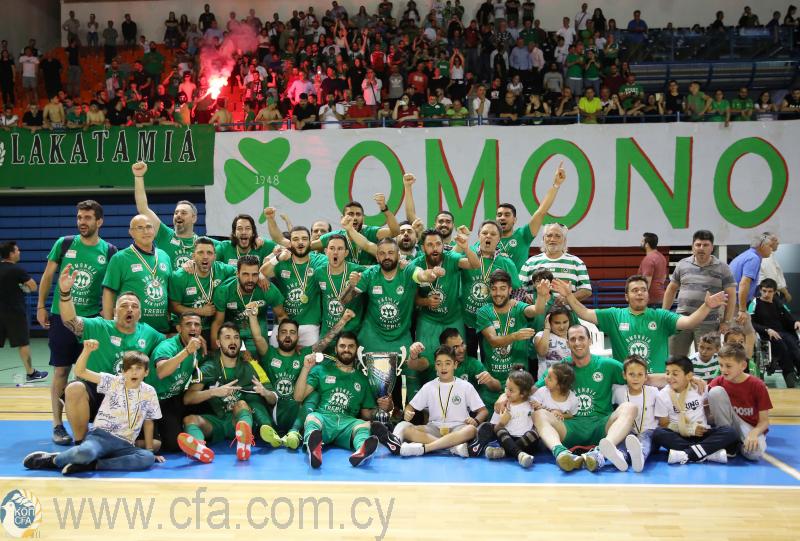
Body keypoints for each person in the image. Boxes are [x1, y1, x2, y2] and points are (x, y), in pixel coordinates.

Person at [37, 200, 117, 445]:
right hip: (61, 317)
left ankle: (91, 422)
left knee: (91, 373)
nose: (82, 222)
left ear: (99, 221)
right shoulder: (64, 243)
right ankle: (57, 424)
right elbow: (47, 276)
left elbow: (111, 287)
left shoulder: (109, 251)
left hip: (92, 321)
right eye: (80, 217)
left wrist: (106, 315)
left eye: (88, 218)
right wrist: (41, 306)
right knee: (61, 371)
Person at [57, 267, 164, 445]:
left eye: (134, 306)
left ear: (139, 313)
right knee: (74, 388)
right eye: (124, 306)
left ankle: (109, 444)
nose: (129, 309)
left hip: (128, 396)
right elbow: (70, 321)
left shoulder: (150, 333)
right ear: (115, 311)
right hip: (98, 389)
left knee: (155, 445)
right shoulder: (98, 326)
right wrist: (65, 293)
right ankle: (81, 444)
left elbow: (170, 343)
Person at [23, 342, 162, 475]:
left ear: (146, 372)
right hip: (101, 438)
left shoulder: (150, 392)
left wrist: (150, 450)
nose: (134, 372)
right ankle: (54, 460)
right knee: (86, 452)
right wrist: (87, 351)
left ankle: (93, 465)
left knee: (147, 458)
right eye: (129, 369)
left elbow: (148, 421)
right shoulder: (113, 382)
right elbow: (80, 371)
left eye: (138, 368)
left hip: (126, 444)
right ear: (123, 372)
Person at [553, 274, 728, 373]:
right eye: (635, 290)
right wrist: (569, 295)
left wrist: (706, 306)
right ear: (626, 296)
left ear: (648, 295)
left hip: (657, 383)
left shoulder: (661, 316)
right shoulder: (614, 315)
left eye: (643, 290)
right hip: (626, 381)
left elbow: (689, 322)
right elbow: (584, 313)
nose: (639, 293)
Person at [178, 323, 274, 463]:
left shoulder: (250, 364)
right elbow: (188, 398)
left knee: (241, 404)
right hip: (220, 421)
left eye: (236, 337)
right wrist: (214, 392)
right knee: (190, 420)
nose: (233, 341)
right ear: (218, 343)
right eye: (227, 337)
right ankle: (200, 449)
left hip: (241, 419)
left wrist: (265, 392)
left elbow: (273, 399)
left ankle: (243, 445)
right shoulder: (209, 367)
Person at [294, 332, 391, 468]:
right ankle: (314, 448)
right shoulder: (321, 370)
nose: (346, 349)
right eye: (342, 346)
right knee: (312, 418)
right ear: (335, 349)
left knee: (364, 425)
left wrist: (383, 408)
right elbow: (298, 397)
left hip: (347, 424)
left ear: (356, 350)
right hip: (324, 418)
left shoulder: (362, 379)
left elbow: (366, 414)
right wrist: (306, 368)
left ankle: (362, 450)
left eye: (351, 346)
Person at [410, 228, 479, 386]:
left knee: (456, 357)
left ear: (443, 245)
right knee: (426, 360)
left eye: (438, 244)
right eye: (430, 245)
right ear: (423, 247)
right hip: (428, 320)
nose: (435, 248)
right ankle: (429, 394)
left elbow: (475, 264)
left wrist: (466, 247)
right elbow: (413, 299)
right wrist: (426, 302)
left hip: (453, 318)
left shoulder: (451, 258)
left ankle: (457, 392)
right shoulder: (416, 265)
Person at [392, 345, 489, 458]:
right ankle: (452, 447)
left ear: (455, 365)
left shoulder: (466, 386)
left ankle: (426, 448)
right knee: (406, 429)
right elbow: (410, 406)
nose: (443, 367)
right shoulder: (428, 386)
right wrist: (407, 412)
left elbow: (483, 411)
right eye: (439, 364)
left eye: (447, 363)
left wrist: (476, 421)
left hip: (458, 428)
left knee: (471, 430)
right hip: (434, 428)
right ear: (435, 366)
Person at [475, 270, 547, 408]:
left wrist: (542, 296)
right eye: (494, 289)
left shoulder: (518, 307)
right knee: (490, 418)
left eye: (502, 288)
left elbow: (536, 310)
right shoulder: (484, 311)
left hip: (519, 381)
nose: (498, 293)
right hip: (493, 381)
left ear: (510, 290)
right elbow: (493, 341)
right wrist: (515, 336)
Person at [663, 230, 737, 357]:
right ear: (693, 247)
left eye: (705, 245)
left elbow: (731, 295)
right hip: (682, 319)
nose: (701, 248)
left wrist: (726, 321)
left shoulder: (723, 268)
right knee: (675, 358)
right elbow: (671, 289)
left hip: (708, 323)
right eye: (698, 245)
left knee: (707, 360)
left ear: (712, 247)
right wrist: (663, 314)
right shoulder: (682, 264)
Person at [652, 356, 737, 465]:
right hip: (680, 436)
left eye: (675, 374)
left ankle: (687, 454)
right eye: (667, 373)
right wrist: (689, 429)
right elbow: (664, 424)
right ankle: (708, 454)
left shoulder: (699, 387)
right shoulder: (662, 395)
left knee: (730, 432)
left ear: (689, 376)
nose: (669, 377)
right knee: (658, 433)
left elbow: (714, 400)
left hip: (703, 434)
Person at [459, 221, 520, 358]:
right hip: (466, 320)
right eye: (484, 233)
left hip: (491, 321)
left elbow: (517, 289)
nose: (488, 236)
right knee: (467, 360)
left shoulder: (506, 262)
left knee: (489, 360)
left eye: (493, 234)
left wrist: (512, 303)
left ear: (499, 239)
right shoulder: (466, 255)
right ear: (478, 236)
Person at [133, 162, 209, 270]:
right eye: (176, 213)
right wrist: (138, 177)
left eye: (183, 213)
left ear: (194, 218)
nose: (178, 215)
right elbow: (143, 208)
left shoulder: (204, 244)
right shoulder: (164, 235)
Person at [102, 215, 172, 334]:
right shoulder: (120, 258)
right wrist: (109, 326)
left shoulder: (164, 256)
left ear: (154, 230)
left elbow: (169, 291)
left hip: (162, 330)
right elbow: (109, 292)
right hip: (132, 332)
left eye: (149, 227)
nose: (146, 231)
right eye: (140, 228)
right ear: (131, 232)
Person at [145, 312, 204, 453]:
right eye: (188, 324)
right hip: (154, 400)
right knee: (171, 445)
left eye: (197, 324)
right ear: (179, 328)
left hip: (175, 398)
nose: (193, 327)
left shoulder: (198, 347)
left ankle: (199, 441)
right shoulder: (167, 347)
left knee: (207, 404)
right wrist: (187, 351)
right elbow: (162, 372)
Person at [259, 227, 326, 347]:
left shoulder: (318, 260)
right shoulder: (283, 261)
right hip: (283, 323)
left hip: (309, 325)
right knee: (273, 354)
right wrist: (277, 257)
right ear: (290, 243)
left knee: (311, 358)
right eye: (295, 239)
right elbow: (262, 273)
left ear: (310, 242)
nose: (300, 242)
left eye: (304, 239)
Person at [708, 344, 772, 461]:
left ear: (743, 365)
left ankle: (737, 445)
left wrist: (754, 433)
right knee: (715, 392)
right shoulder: (718, 381)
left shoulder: (757, 385)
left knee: (755, 454)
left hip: (748, 426)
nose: (723, 370)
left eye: (728, 366)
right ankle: (727, 441)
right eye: (721, 365)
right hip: (727, 426)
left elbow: (764, 422)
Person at [211, 255, 286, 352]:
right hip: (232, 328)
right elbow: (218, 322)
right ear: (237, 274)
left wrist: (286, 347)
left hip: (258, 326)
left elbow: (281, 316)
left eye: (254, 275)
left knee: (259, 356)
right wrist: (215, 353)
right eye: (245, 274)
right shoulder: (224, 291)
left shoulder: (267, 289)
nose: (250, 279)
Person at [168, 237, 236, 337]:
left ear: (215, 256)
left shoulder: (222, 269)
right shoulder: (180, 276)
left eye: (209, 253)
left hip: (210, 327)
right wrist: (200, 311)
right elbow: (173, 307)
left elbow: (243, 271)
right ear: (193, 256)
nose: (205, 257)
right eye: (200, 252)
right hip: (185, 327)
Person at [0, 242, 46, 383]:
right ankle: (31, 374)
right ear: (11, 254)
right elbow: (33, 286)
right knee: (23, 343)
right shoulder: (17, 270)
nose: (19, 252)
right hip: (14, 313)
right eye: (17, 250)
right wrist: (22, 287)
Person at [519, 223, 592, 304]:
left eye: (558, 236)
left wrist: (568, 299)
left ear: (564, 240)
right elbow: (518, 289)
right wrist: (525, 297)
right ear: (543, 239)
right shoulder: (530, 263)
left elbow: (586, 290)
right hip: (536, 311)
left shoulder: (577, 263)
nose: (553, 239)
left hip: (567, 311)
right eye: (549, 235)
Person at [611, 355, 659, 473]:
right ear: (624, 375)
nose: (636, 378)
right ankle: (621, 457)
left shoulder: (653, 392)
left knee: (645, 439)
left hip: (648, 431)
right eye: (631, 374)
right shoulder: (618, 391)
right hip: (629, 432)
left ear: (646, 376)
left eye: (640, 374)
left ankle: (640, 457)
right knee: (623, 439)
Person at [749, 278, 800, 387]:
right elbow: (751, 323)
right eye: (764, 291)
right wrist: (767, 330)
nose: (766, 294)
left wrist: (795, 322)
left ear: (775, 292)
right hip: (766, 335)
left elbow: (788, 317)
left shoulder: (778, 303)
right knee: (782, 346)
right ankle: (789, 375)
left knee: (794, 346)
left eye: (770, 291)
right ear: (760, 290)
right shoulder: (755, 303)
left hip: (783, 333)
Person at [730, 232, 774, 326]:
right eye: (770, 246)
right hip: (735, 303)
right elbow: (744, 283)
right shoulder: (754, 258)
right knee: (747, 333)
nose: (772, 249)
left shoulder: (747, 255)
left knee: (745, 332)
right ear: (762, 246)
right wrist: (742, 310)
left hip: (732, 301)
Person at [533, 307, 573, 380]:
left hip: (567, 381)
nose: (562, 327)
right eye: (557, 323)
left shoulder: (573, 338)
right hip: (546, 382)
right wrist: (547, 328)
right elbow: (542, 352)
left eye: (565, 322)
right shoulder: (541, 335)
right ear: (549, 322)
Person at [759, 235, 791, 304]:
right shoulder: (767, 257)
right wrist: (786, 293)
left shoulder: (770, 256)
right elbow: (772, 279)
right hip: (770, 292)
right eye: (775, 240)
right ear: (768, 241)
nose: (778, 243)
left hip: (774, 291)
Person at [638, 232, 667, 307]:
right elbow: (664, 277)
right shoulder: (662, 257)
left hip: (651, 300)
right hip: (661, 298)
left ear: (647, 244)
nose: (640, 243)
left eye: (642, 241)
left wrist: (641, 299)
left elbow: (646, 282)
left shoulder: (648, 259)